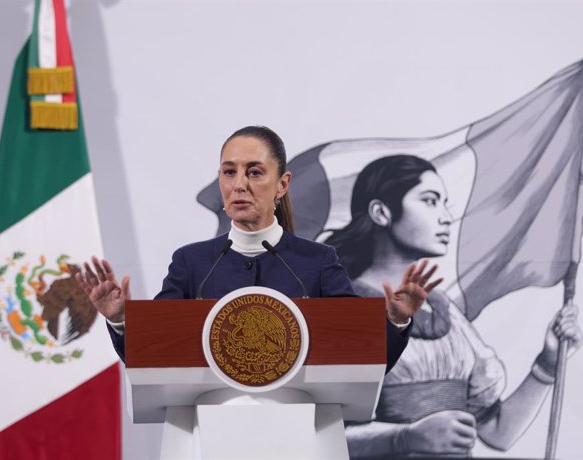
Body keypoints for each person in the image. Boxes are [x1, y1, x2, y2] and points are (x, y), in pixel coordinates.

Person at [76, 126, 442, 372]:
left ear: (282, 185)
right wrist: (121, 320)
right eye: (228, 172)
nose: (239, 185)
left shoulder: (316, 262)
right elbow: (152, 356)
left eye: (254, 172)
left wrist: (396, 320)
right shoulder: (191, 263)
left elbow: (363, 355)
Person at [324, 155, 583, 458]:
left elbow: (497, 432)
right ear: (381, 212)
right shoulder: (343, 308)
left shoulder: (444, 312)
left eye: (444, 203)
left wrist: (548, 363)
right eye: (430, 201)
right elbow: (318, 440)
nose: (446, 217)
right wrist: (404, 438)